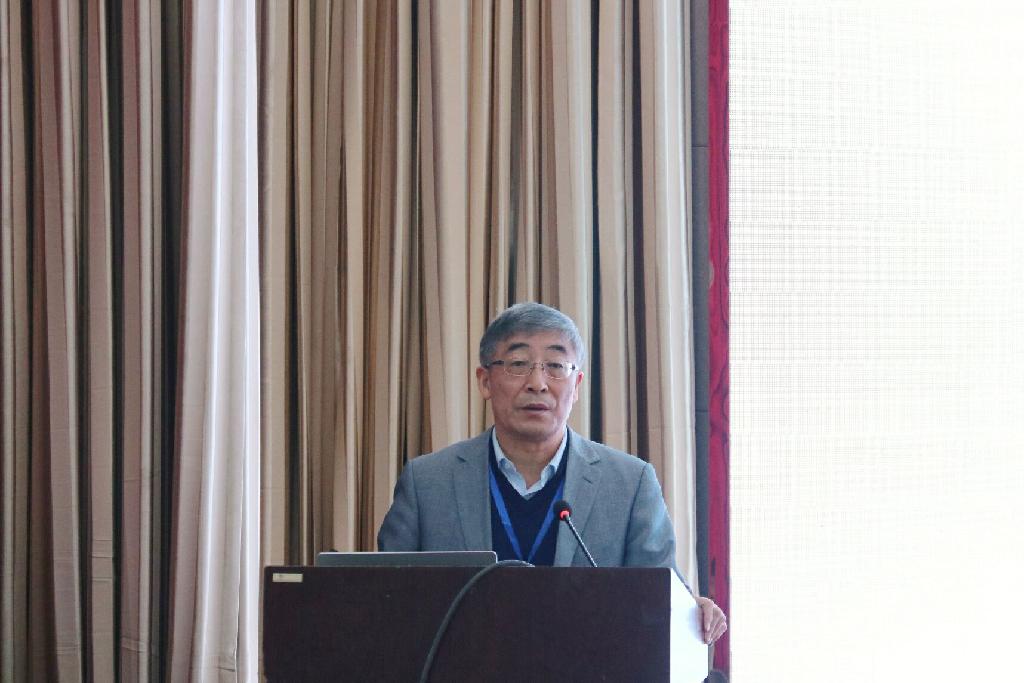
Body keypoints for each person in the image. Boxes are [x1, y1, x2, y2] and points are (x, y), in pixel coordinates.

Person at [378, 302, 727, 644]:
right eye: (518, 364)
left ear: (576, 386)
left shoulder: (630, 484)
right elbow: (383, 600)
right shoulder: (427, 483)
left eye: (556, 366)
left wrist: (689, 611)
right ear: (485, 381)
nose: (538, 383)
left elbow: (659, 599)